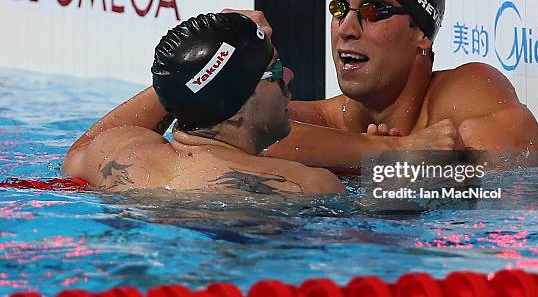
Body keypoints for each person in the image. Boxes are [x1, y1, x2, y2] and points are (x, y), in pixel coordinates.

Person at [228, 0, 538, 169]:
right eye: (339, 8)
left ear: (421, 32)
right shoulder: (326, 122)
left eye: (373, 11)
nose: (346, 29)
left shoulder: (464, 92)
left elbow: (514, 153)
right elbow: (227, 127)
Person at [62, 12, 345, 194]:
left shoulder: (115, 149)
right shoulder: (307, 186)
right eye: (275, 71)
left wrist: (181, 77)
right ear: (235, 109)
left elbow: (75, 154)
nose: (290, 76)